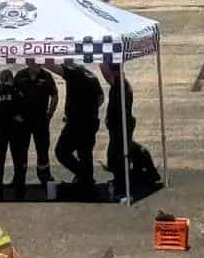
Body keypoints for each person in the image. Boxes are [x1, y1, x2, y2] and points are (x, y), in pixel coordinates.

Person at [99, 62, 160, 195]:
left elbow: (120, 110)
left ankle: (124, 180)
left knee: (119, 152)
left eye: (106, 71)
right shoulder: (119, 84)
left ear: (113, 71)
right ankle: (141, 173)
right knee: (122, 150)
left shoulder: (120, 87)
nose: (104, 74)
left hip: (121, 125)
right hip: (120, 125)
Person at [53, 61, 103, 186]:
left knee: (61, 151)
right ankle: (87, 182)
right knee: (85, 153)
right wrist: (89, 110)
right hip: (90, 121)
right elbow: (101, 98)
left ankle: (83, 175)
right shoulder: (91, 75)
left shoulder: (73, 73)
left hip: (76, 124)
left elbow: (54, 68)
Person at [13, 60, 58, 187]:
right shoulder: (20, 76)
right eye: (34, 62)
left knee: (43, 150)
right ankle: (19, 180)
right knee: (21, 151)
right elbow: (12, 94)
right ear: (27, 63)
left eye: (39, 62)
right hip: (23, 122)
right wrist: (15, 114)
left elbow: (54, 95)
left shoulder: (46, 76)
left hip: (41, 121)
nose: (37, 65)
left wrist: (51, 112)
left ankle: (45, 178)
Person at [0, 69, 27, 200]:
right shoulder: (16, 93)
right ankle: (20, 192)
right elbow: (19, 112)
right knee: (18, 162)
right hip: (15, 132)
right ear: (11, 79)